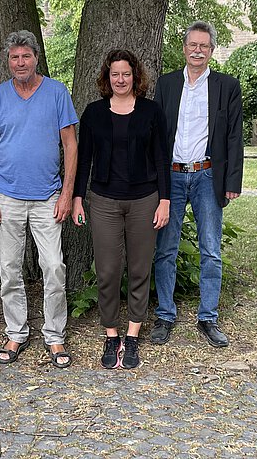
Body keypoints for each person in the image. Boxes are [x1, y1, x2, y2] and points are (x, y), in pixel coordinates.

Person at [0, 30, 78, 368]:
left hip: (48, 196)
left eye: (26, 56)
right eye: (14, 57)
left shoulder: (56, 92)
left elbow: (70, 145)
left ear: (36, 58)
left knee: (53, 267)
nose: (20, 63)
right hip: (6, 195)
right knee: (9, 269)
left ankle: (55, 335)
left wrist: (66, 194)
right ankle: (16, 332)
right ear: (8, 61)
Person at [72, 49, 170, 369]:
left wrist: (165, 200)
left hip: (145, 200)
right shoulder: (94, 113)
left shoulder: (151, 112)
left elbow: (161, 158)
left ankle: (132, 336)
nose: (121, 79)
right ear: (107, 77)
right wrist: (77, 198)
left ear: (135, 76)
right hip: (104, 201)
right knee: (108, 270)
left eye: (126, 74)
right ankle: (111, 334)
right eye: (115, 74)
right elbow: (84, 159)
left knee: (140, 269)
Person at [151, 21, 243, 348]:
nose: (198, 50)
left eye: (204, 46)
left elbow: (234, 136)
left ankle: (208, 317)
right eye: (193, 45)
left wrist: (232, 180)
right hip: (171, 176)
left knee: (211, 250)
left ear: (212, 50)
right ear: (184, 48)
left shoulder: (226, 86)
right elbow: (156, 135)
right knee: (165, 248)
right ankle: (165, 314)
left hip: (207, 175)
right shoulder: (167, 84)